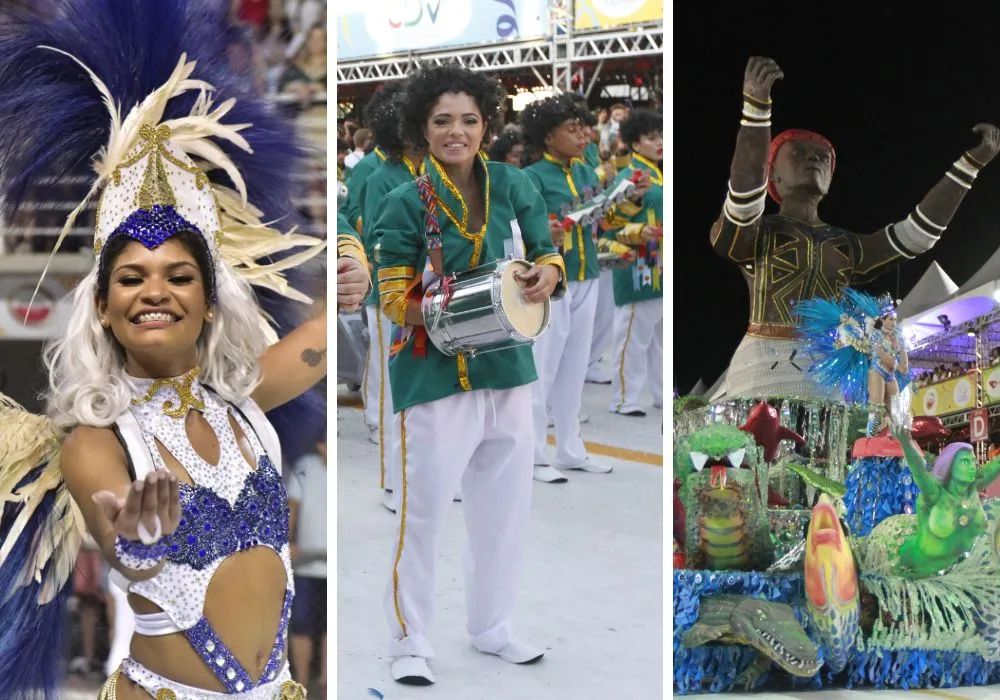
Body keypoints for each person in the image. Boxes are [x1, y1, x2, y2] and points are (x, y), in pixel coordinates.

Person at [0, 2, 327, 698]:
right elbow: (115, 529)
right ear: (102, 307)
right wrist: (133, 543)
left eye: (180, 276)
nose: (157, 291)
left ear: (211, 301)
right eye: (131, 277)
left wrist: (354, 265)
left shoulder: (241, 403)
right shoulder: (97, 440)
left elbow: (319, 344)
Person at [372, 64, 565, 686]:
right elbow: (392, 297)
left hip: (508, 369)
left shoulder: (512, 183)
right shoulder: (404, 199)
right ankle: (410, 638)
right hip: (433, 376)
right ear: (421, 130)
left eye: (469, 120)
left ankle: (492, 627)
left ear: (487, 124)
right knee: (424, 512)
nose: (457, 132)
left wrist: (546, 274)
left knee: (504, 508)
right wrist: (443, 309)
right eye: (442, 121)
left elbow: (545, 249)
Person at [711, 56, 1000, 400]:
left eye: (823, 157)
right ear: (773, 174)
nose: (814, 158)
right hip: (760, 366)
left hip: (827, 369)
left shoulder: (847, 246)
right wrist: (757, 109)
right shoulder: (759, 233)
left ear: (831, 180)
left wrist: (970, 166)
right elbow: (743, 197)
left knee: (824, 454)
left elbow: (918, 234)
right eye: (800, 152)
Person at [519, 93, 648, 483]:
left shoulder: (587, 173)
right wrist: (544, 235)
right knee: (543, 368)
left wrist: (627, 202)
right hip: (550, 281)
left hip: (587, 273)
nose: (582, 135)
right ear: (547, 137)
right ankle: (535, 455)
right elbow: (519, 230)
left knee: (574, 367)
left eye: (583, 127)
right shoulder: (532, 177)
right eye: (571, 129)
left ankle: (571, 449)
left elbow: (603, 225)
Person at [359, 88, 425, 512]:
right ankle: (392, 482)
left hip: (430, 294)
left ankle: (418, 477)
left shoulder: (430, 169)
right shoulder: (381, 177)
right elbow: (375, 242)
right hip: (394, 295)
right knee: (391, 390)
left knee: (420, 392)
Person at [343, 82, 405, 445]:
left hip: (418, 280)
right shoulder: (371, 170)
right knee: (382, 355)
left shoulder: (421, 167)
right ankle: (375, 418)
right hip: (382, 276)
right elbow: (357, 216)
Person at [603, 109, 664, 416]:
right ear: (636, 144)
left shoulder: (657, 172)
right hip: (637, 266)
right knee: (631, 339)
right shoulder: (629, 177)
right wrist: (640, 232)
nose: (660, 142)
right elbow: (608, 224)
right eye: (652, 138)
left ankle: (662, 394)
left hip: (660, 268)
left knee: (658, 341)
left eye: (661, 136)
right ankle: (624, 399)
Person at [285, 431, 328, 697]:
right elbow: (292, 507)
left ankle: (325, 682)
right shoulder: (305, 468)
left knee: (328, 626)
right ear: (319, 445)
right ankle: (300, 682)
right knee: (301, 625)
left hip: (331, 563)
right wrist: (287, 541)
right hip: (306, 563)